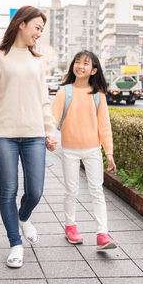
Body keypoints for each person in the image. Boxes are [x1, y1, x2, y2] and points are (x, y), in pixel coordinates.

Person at [0, 5, 58, 268]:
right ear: (21, 24)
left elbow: (44, 100)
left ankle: (24, 218)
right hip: (4, 135)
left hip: (34, 133)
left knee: (35, 190)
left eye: (42, 30)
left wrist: (50, 130)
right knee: (8, 190)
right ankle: (15, 243)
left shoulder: (37, 59)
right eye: (37, 28)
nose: (39, 34)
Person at [51, 50, 118, 250]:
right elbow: (53, 118)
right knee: (71, 191)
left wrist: (109, 153)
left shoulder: (98, 95)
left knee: (97, 191)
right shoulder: (65, 91)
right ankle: (70, 226)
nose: (80, 66)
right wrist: (50, 137)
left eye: (86, 63)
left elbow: (104, 125)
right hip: (70, 150)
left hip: (92, 150)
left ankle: (102, 234)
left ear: (93, 70)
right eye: (77, 62)